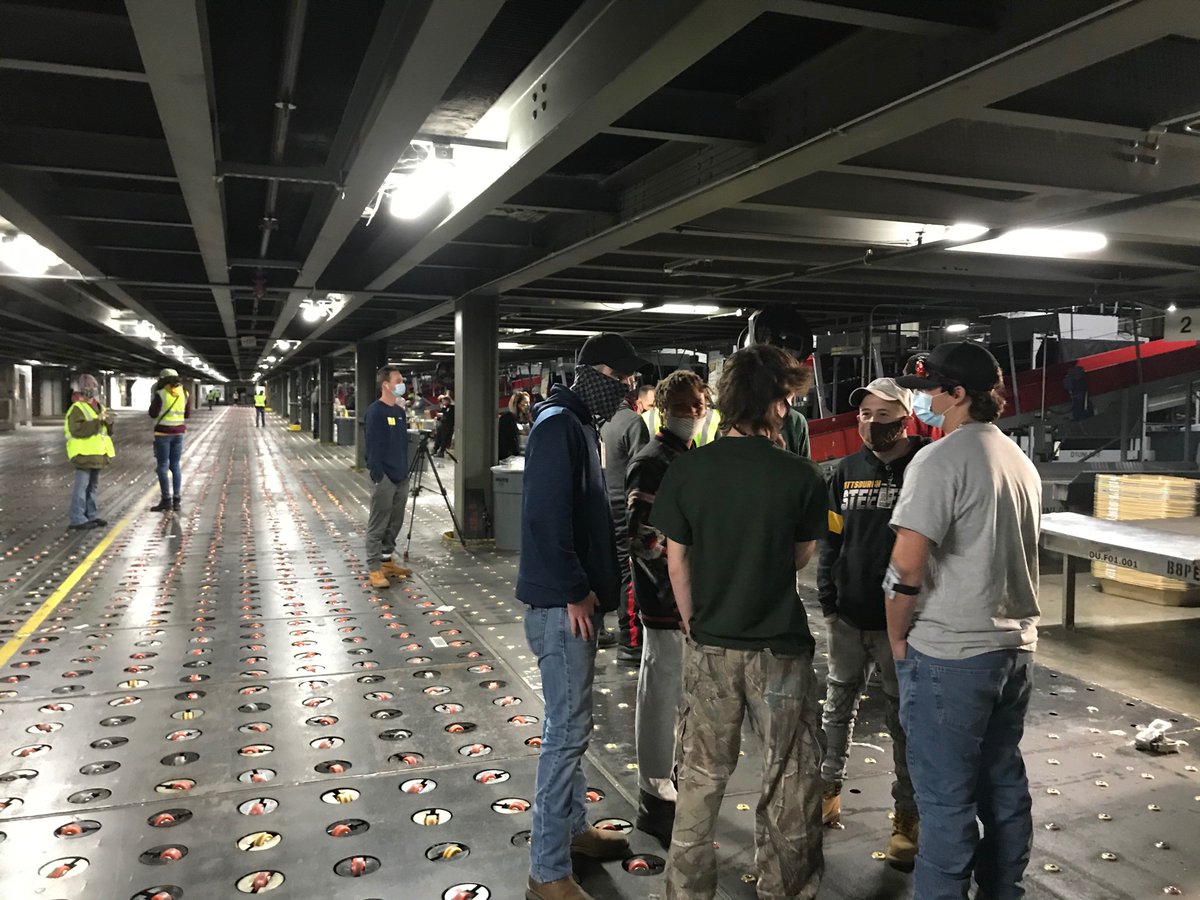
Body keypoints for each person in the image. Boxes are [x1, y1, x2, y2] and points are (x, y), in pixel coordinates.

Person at [652, 344, 827, 900]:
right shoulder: (801, 476)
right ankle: (783, 889)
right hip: (779, 647)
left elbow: (675, 561)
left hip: (710, 644)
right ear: (777, 404)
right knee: (790, 778)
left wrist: (694, 624)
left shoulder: (688, 471)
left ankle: (686, 891)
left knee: (701, 780)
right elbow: (799, 558)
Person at [888, 341, 1041, 899]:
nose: (922, 401)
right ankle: (1004, 890)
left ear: (959, 394)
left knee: (946, 801)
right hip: (1013, 649)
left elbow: (907, 563)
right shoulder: (1017, 460)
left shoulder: (939, 458)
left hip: (950, 653)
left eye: (930, 391)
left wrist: (897, 635)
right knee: (1002, 786)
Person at [516, 333, 648, 900]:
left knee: (570, 728)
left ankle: (572, 833)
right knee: (566, 736)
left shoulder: (574, 424)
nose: (628, 389)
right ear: (597, 372)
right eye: (622, 379)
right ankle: (547, 872)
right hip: (560, 606)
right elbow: (548, 518)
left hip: (571, 601)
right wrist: (575, 589)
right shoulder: (556, 427)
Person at [817, 377, 928, 869]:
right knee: (836, 707)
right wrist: (827, 595)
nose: (870, 423)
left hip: (901, 624)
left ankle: (907, 817)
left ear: (904, 416)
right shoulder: (844, 471)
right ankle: (827, 790)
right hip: (849, 615)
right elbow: (831, 538)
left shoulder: (924, 466)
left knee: (903, 720)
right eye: (864, 414)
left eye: (882, 415)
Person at [624, 369, 707, 846]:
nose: (692, 414)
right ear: (664, 409)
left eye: (698, 405)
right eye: (683, 406)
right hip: (661, 598)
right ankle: (654, 792)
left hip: (684, 598)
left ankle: (667, 780)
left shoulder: (688, 456)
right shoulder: (654, 459)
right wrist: (685, 550)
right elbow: (639, 536)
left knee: (676, 695)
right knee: (660, 693)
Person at [600, 382, 655, 663]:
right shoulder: (632, 423)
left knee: (601, 568)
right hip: (624, 510)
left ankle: (598, 630)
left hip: (601, 508)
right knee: (628, 574)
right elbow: (643, 469)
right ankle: (631, 642)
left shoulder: (600, 420)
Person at [363, 366, 414, 591]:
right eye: (399, 380)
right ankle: (374, 568)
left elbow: (401, 444)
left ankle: (386, 562)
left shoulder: (399, 412)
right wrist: (379, 475)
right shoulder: (376, 412)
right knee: (378, 522)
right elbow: (373, 447)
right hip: (384, 476)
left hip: (401, 475)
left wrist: (404, 472)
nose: (402, 384)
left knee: (395, 521)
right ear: (386, 385)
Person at [65, 373, 115, 531]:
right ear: (80, 391)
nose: (91, 390)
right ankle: (77, 518)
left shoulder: (99, 407)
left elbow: (106, 431)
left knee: (92, 487)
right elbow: (78, 430)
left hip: (97, 454)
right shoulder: (77, 409)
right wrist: (98, 421)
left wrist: (109, 422)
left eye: (93, 387)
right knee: (81, 487)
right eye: (87, 388)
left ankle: (90, 515)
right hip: (83, 454)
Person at [148, 367, 190, 513]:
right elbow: (188, 414)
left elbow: (153, 413)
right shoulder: (184, 392)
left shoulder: (161, 393)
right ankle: (177, 499)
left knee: (162, 466)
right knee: (175, 465)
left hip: (163, 434)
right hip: (179, 433)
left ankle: (166, 500)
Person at [904, 353, 945, 440]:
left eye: (929, 388)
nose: (922, 394)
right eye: (916, 389)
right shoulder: (905, 420)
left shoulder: (952, 418)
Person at [498, 390, 531, 461]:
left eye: (529, 403)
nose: (528, 405)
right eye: (525, 403)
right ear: (517, 404)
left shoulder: (530, 423)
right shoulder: (507, 420)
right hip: (511, 461)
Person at [433, 393, 455, 457]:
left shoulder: (451, 407)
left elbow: (448, 415)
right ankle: (435, 449)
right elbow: (442, 415)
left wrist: (442, 414)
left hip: (448, 425)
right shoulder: (444, 408)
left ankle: (441, 451)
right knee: (438, 437)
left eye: (444, 401)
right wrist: (438, 417)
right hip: (442, 424)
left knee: (444, 439)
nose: (443, 402)